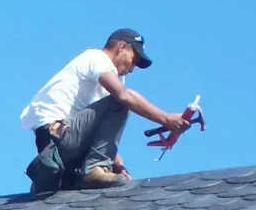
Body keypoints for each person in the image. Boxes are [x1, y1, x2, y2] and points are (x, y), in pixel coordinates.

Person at [20, 29, 191, 191]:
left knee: (119, 103)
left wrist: (119, 167)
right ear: (121, 47)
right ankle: (94, 169)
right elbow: (123, 97)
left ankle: (84, 173)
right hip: (59, 138)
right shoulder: (97, 58)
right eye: (134, 59)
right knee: (123, 101)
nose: (132, 68)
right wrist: (167, 119)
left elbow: (102, 134)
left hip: (59, 147)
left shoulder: (102, 83)